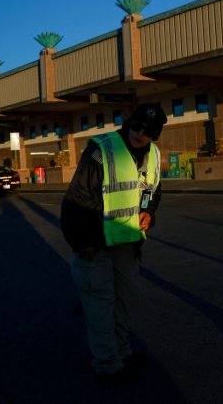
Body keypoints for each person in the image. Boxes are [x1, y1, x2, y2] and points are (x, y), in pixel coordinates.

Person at [60, 103, 167, 381]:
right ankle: (107, 363)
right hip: (95, 243)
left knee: (122, 301)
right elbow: (77, 198)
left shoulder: (154, 154)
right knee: (100, 302)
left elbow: (152, 192)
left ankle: (122, 351)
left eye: (148, 131)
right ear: (129, 123)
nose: (140, 134)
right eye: (137, 127)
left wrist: (148, 213)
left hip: (127, 243)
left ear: (156, 134)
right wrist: (82, 242)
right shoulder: (103, 149)